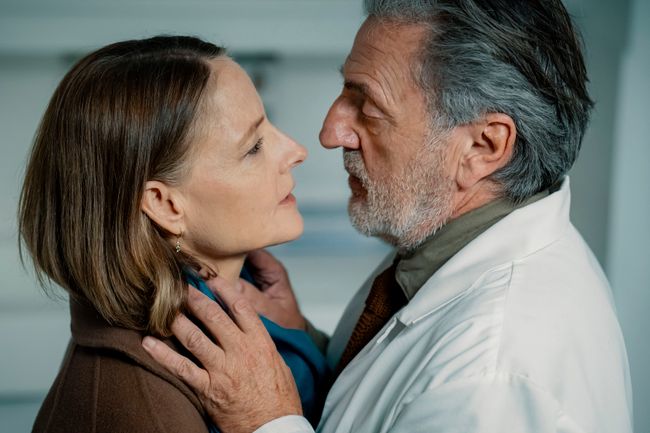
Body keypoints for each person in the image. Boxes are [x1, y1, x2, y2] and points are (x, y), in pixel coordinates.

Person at [142, 1, 634, 432]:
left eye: (368, 106)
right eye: (345, 91)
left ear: (483, 146)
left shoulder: (493, 379)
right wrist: (305, 341)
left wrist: (266, 420)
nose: (329, 133)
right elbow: (385, 397)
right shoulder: (445, 240)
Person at [19, 35, 329, 433]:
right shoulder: (141, 412)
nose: (297, 150)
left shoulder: (247, 306)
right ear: (165, 205)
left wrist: (299, 332)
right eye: (253, 147)